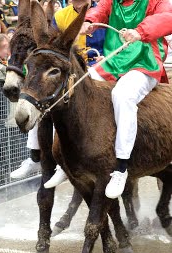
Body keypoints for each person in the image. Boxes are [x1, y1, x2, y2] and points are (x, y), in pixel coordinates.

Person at [45, 0, 172, 198]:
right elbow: (100, 10)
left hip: (145, 62)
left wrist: (141, 31)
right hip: (114, 61)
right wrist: (88, 21)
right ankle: (64, 160)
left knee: (122, 95)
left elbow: (167, 17)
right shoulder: (112, 1)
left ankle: (121, 167)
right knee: (72, 87)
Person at [10, 0, 105, 180]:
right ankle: (35, 155)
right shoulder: (61, 15)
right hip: (68, 67)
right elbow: (50, 43)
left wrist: (104, 57)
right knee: (40, 99)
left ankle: (68, 160)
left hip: (98, 65)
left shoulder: (102, 12)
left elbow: (112, 43)